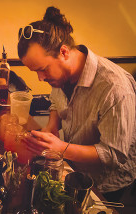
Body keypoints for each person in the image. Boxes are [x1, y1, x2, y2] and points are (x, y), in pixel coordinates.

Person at [18, 6, 136, 202]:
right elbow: (56, 101)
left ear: (64, 52)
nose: (40, 78)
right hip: (75, 171)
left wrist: (62, 148)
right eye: (35, 72)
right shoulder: (60, 75)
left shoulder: (115, 87)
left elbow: (114, 154)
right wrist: (51, 126)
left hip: (108, 187)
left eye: (43, 69)